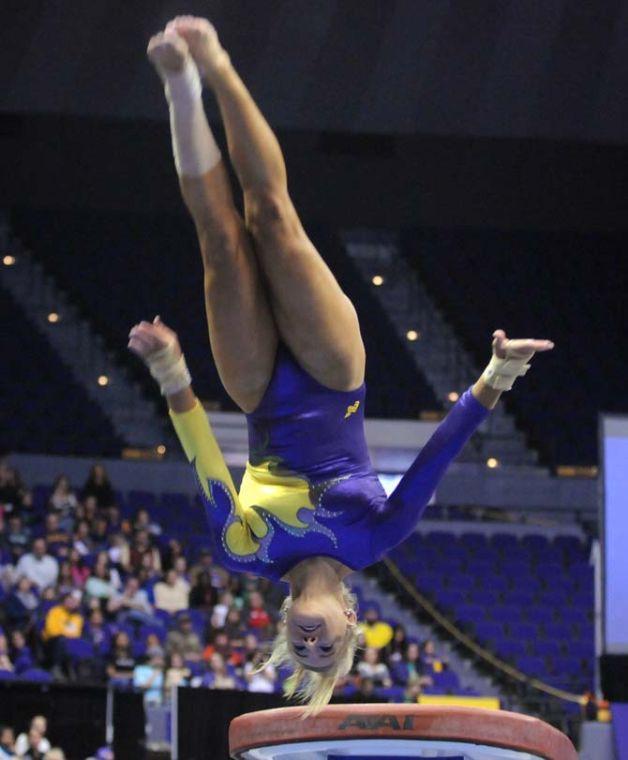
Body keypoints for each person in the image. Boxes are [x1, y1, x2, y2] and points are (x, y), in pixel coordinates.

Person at [131, 14, 554, 713]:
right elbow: (437, 457)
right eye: (328, 651)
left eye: (301, 653)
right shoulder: (376, 536)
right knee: (271, 217)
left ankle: (179, 87)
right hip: (334, 381)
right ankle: (216, 63)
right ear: (353, 621)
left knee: (220, 242)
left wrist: (172, 374)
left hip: (258, 393)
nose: (312, 645)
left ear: (282, 632)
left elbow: (203, 458)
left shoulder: (245, 549)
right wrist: (497, 374)